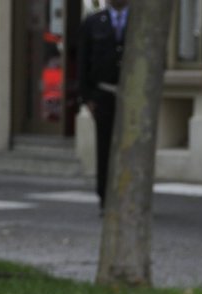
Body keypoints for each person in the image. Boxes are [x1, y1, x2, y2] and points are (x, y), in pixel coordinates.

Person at [75, 0, 128, 211]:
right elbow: (83, 61)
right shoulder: (93, 22)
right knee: (105, 149)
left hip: (130, 96)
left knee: (130, 149)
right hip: (103, 94)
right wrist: (87, 97)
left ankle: (129, 197)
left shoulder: (136, 22)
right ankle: (105, 198)